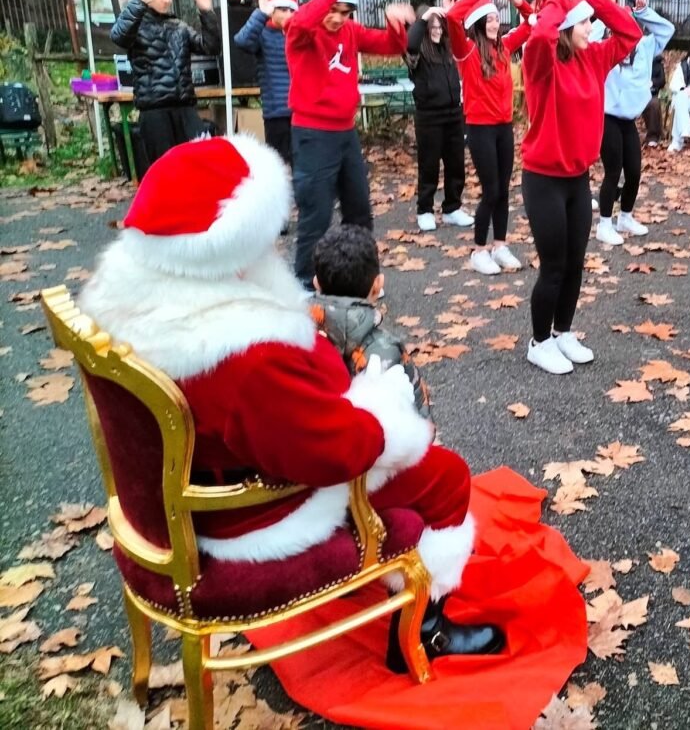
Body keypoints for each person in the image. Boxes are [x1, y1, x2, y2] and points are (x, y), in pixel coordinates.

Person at [79, 135, 504, 672]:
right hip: (251, 517)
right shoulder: (241, 355)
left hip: (184, 488)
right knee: (444, 474)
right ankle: (424, 629)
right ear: (230, 244)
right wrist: (388, 412)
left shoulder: (135, 300)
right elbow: (330, 450)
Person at [521, 0, 640, 375]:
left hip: (576, 179)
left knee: (575, 262)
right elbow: (538, 35)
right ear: (566, 28)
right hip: (543, 180)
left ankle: (562, 331)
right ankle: (539, 342)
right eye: (584, 22)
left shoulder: (594, 59)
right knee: (553, 265)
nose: (592, 28)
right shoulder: (542, 66)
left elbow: (630, 33)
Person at [286, 0, 415, 290]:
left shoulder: (351, 31)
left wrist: (394, 21)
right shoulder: (303, 34)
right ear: (321, 4)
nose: (338, 18)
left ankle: (362, 278)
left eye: (345, 12)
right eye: (333, 10)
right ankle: (304, 283)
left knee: (359, 210)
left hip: (345, 133)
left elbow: (389, 45)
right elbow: (299, 21)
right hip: (313, 134)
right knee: (316, 215)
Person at [445, 0, 534, 275]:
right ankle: (479, 250)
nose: (496, 23)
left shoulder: (506, 47)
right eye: (490, 18)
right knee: (491, 189)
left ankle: (500, 245)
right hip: (480, 128)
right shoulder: (466, 50)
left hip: (503, 128)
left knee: (503, 190)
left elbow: (533, 23)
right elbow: (451, 18)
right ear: (480, 22)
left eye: (498, 18)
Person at [110, 0, 220, 173]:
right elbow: (118, 36)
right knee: (164, 173)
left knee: (198, 167)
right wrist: (139, 2)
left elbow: (211, 47)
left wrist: (207, 12)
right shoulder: (136, 26)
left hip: (185, 108)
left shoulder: (178, 26)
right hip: (154, 112)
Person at [310, 224, 431, 421]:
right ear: (377, 285)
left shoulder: (290, 336)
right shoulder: (387, 351)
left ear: (316, 282)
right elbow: (416, 422)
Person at [594, 0, 675, 247]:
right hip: (606, 117)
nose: (629, 28)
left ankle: (625, 217)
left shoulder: (645, 45)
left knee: (635, 171)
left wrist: (642, 11)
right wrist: (604, 10)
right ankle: (604, 223)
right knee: (613, 171)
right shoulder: (604, 44)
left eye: (632, 23)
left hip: (628, 119)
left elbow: (667, 29)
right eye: (622, 23)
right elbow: (585, 32)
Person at [407, 6, 472, 233]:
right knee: (429, 166)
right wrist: (424, 18)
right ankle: (425, 210)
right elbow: (411, 42)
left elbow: (461, 31)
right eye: (432, 27)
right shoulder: (417, 54)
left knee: (456, 164)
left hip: (453, 114)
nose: (436, 31)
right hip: (429, 117)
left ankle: (452, 208)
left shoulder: (447, 50)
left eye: (439, 27)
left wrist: (450, 12)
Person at [234, 0, 298, 166]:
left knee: (302, 162)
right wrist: (261, 14)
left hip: (300, 111)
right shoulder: (262, 33)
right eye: (283, 10)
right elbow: (242, 40)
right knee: (279, 163)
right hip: (276, 113)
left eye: (292, 10)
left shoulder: (298, 34)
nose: (288, 14)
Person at [644, 50, 667, 147]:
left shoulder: (657, 64)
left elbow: (662, 81)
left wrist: (651, 82)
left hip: (650, 93)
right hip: (631, 93)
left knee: (654, 103)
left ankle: (653, 136)